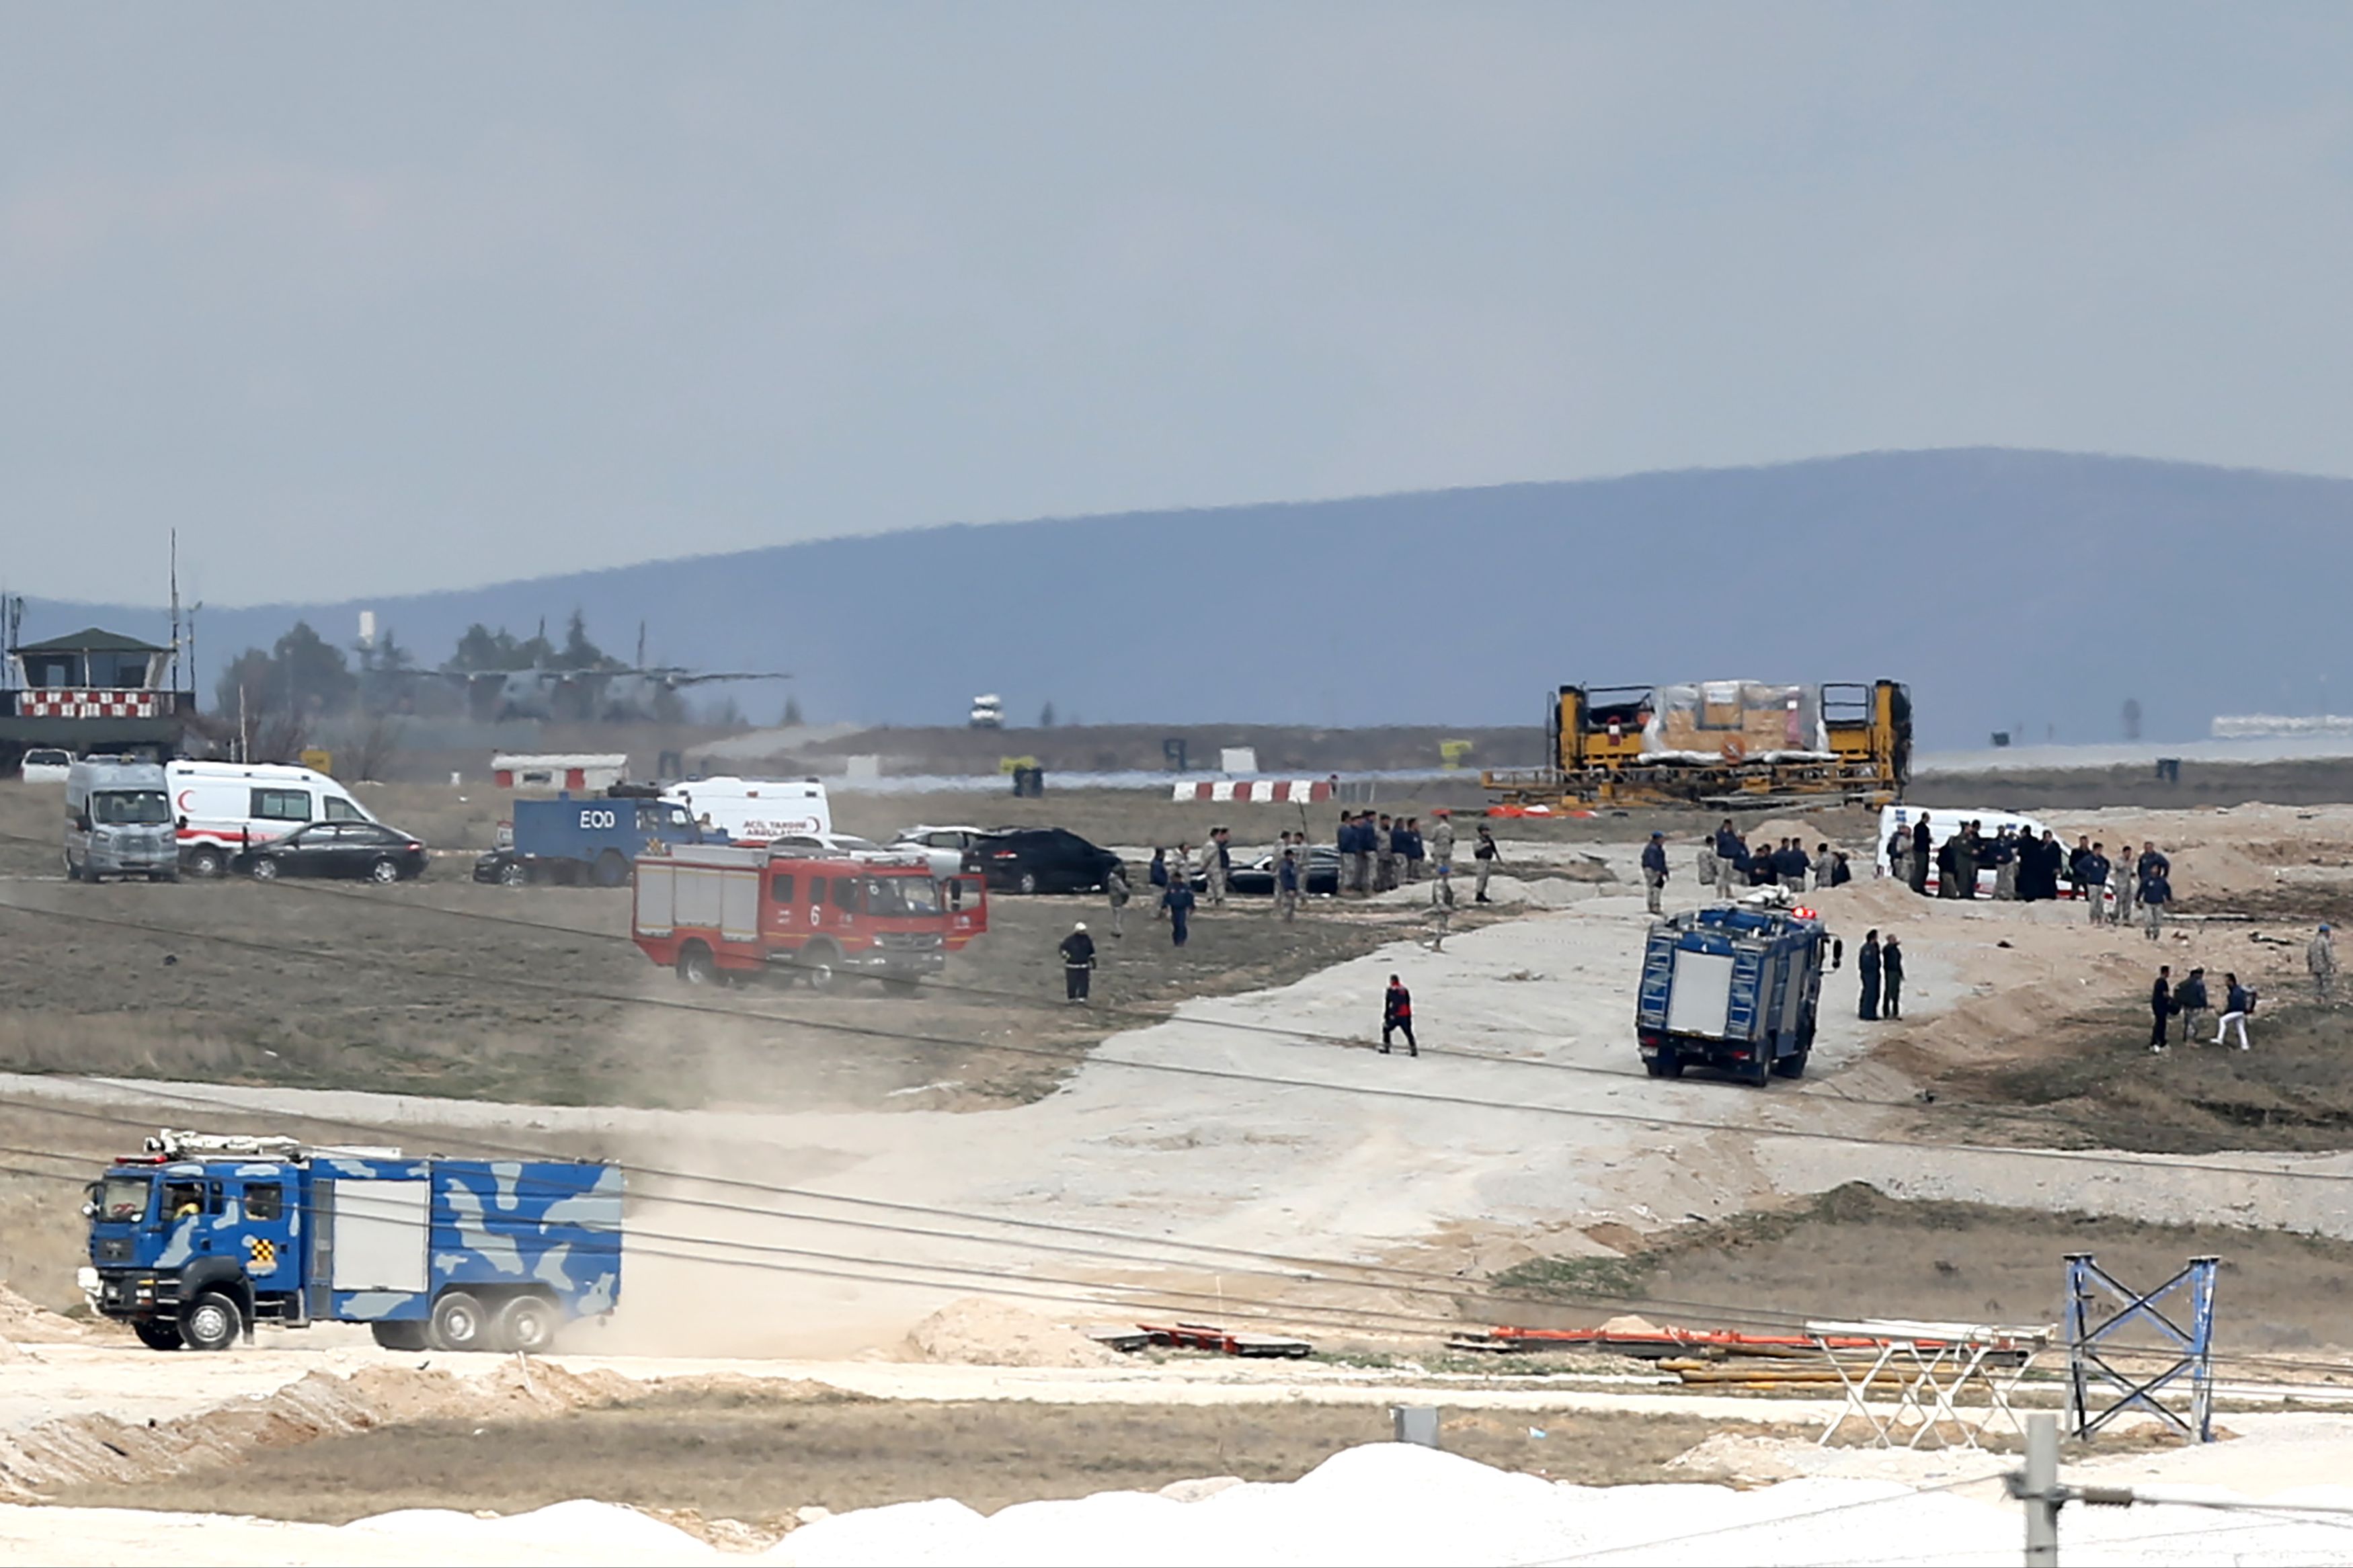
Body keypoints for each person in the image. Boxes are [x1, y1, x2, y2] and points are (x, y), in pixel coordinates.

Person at [2213, 973, 2254, 1050]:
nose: (2225, 983)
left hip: (2237, 1011)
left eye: (2226, 981)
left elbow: (2234, 1005)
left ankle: (2220, 1039)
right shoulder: (2238, 990)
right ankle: (2245, 1046)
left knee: (2222, 1020)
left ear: (2231, 981)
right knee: (2241, 1028)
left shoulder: (2235, 992)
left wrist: (2225, 1012)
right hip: (2242, 1012)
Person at [1058, 921, 1096, 1003]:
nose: (1083, 933)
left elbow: (1091, 952)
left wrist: (1093, 961)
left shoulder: (1087, 940)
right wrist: (1067, 956)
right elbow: (1062, 949)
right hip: (1072, 966)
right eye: (1081, 931)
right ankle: (1072, 997)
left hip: (1084, 965)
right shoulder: (1070, 940)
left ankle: (1082, 997)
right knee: (1072, 982)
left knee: (1084, 982)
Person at [1381, 973, 1417, 1057]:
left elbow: (1390, 1003)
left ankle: (1386, 1048)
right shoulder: (1404, 990)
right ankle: (1413, 1050)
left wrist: (1388, 1015)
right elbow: (1408, 1003)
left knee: (1386, 1029)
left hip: (1396, 1015)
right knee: (1408, 1032)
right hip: (1406, 1015)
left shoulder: (1391, 990)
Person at [2173, 966, 2210, 1045]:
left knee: (2187, 1022)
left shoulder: (2185, 983)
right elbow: (2202, 995)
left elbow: (2177, 989)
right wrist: (2205, 1004)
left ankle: (2186, 1038)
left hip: (2187, 1006)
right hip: (2196, 1006)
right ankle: (2190, 1041)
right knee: (2193, 1023)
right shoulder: (2199, 983)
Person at [1423, 864, 1455, 950]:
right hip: (1441, 908)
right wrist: (1443, 906)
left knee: (1443, 926)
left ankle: (1437, 943)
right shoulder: (1440, 883)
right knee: (1441, 926)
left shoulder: (1443, 883)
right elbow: (1439, 896)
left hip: (1443, 907)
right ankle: (1436, 944)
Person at [1640, 831, 1669, 915]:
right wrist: (1658, 871)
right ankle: (1654, 906)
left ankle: (1652, 906)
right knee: (1655, 888)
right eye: (1661, 839)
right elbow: (1653, 861)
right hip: (1652, 870)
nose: (1663, 841)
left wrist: (1665, 872)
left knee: (1654, 888)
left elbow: (1662, 862)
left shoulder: (1657, 848)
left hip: (1654, 869)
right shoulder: (1652, 849)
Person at [1162, 878, 1196, 947]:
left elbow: (1190, 897)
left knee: (1181, 924)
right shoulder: (1170, 887)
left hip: (1182, 909)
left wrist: (1192, 907)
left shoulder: (1185, 887)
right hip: (1174, 909)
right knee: (1176, 925)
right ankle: (1176, 940)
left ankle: (1182, 940)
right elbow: (1166, 897)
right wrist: (1164, 906)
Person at [2141, 862, 2170, 940]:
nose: (2155, 870)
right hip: (2148, 902)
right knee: (2148, 919)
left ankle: (2156, 935)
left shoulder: (2162, 881)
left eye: (2156, 868)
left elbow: (2167, 890)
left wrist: (2168, 899)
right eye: (2153, 868)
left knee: (2158, 921)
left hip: (2159, 903)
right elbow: (2141, 890)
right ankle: (2147, 932)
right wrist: (2138, 898)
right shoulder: (2147, 880)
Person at [1203, 827, 1230, 909]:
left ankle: (1216, 899)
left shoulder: (1219, 845)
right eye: (1219, 835)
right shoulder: (1211, 845)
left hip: (1219, 867)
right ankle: (1217, 899)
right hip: (1214, 868)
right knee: (1217, 884)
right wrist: (1204, 866)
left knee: (1218, 884)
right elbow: (1207, 857)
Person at [2149, 964, 2175, 1053]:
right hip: (2161, 1006)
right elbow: (2165, 995)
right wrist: (2172, 1000)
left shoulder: (2157, 981)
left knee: (2158, 1023)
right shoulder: (2163, 982)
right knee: (2161, 1024)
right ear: (2166, 972)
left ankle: (2155, 1041)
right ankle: (2160, 1041)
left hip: (2156, 1005)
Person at [1715, 820, 1743, 898]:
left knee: (1729, 876)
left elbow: (1735, 843)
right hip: (1722, 857)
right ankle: (1719, 892)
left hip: (1730, 857)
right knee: (1721, 876)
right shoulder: (1720, 833)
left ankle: (1728, 892)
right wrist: (1726, 834)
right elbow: (1720, 842)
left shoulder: (1732, 834)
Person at [1858, 930, 1882, 1020]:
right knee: (1869, 993)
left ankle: (1871, 1012)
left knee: (1875, 993)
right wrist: (1873, 967)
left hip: (1874, 973)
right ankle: (1866, 1013)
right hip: (1869, 973)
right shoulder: (1867, 948)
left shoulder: (1874, 947)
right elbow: (1866, 962)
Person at [1474, 825, 1500, 903]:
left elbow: (1494, 849)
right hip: (1481, 860)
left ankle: (1483, 893)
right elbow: (1476, 849)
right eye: (1485, 831)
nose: (1487, 832)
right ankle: (1479, 894)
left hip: (1488, 860)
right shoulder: (1479, 840)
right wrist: (1485, 845)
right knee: (1481, 878)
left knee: (1485, 878)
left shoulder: (1489, 840)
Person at [1880, 934, 1905, 1019]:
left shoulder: (1896, 950)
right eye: (1893, 939)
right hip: (1890, 971)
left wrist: (1901, 973)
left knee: (1896, 993)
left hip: (1896, 971)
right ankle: (1886, 1012)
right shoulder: (1887, 949)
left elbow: (1898, 962)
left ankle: (1895, 1012)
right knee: (1889, 992)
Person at [2311, 924, 2338, 1000]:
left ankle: (2317, 999)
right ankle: (2325, 1000)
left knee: (2317, 985)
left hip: (2315, 966)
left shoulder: (2313, 941)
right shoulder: (2325, 942)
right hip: (2324, 967)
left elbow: (2309, 955)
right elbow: (2328, 955)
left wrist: (2310, 966)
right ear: (2326, 932)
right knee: (2326, 984)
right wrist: (2333, 965)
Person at [1105, 861, 1130, 938]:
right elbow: (1124, 890)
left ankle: (1116, 930)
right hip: (1118, 899)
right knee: (1119, 917)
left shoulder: (1111, 878)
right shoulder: (1116, 880)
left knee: (1115, 916)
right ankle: (1118, 931)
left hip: (1113, 899)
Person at [1275, 846, 1301, 923]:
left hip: (1293, 888)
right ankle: (1285, 920)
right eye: (1292, 855)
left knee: (1292, 906)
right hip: (1288, 889)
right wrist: (1288, 889)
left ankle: (1290, 920)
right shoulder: (1285, 867)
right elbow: (1285, 880)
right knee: (1287, 905)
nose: (1293, 857)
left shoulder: (1291, 865)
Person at [1908, 816, 1931, 895]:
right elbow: (1921, 839)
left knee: (1923, 870)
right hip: (1921, 851)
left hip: (1923, 851)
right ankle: (1917, 887)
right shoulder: (1921, 827)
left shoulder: (1920, 827)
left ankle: (1920, 886)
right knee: (1920, 870)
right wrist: (1928, 840)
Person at [1429, 810, 1456, 876]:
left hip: (1439, 848)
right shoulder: (1450, 828)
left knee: (1439, 864)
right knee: (1447, 865)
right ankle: (1446, 877)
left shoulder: (1437, 828)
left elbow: (1432, 838)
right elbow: (1453, 839)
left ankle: (1440, 877)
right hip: (1448, 849)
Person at [1374, 814, 1396, 894]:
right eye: (1386, 821)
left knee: (1388, 872)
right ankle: (1379, 887)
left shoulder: (1389, 832)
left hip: (1389, 854)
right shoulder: (1377, 832)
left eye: (1388, 821)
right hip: (1380, 854)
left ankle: (1387, 886)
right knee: (1380, 872)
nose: (1387, 823)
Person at [1148, 848, 1170, 920]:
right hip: (1158, 885)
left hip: (1158, 884)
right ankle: (1155, 915)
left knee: (1159, 900)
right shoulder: (1157, 864)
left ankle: (1157, 914)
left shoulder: (1157, 863)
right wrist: (1163, 882)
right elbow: (1156, 875)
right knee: (1157, 900)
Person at [1402, 817, 1425, 882]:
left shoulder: (1418, 834)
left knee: (1417, 873)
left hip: (1418, 856)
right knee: (1411, 873)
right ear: (1412, 825)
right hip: (1411, 857)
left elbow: (1420, 844)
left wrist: (1422, 853)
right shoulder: (1407, 835)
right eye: (1416, 824)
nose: (1418, 825)